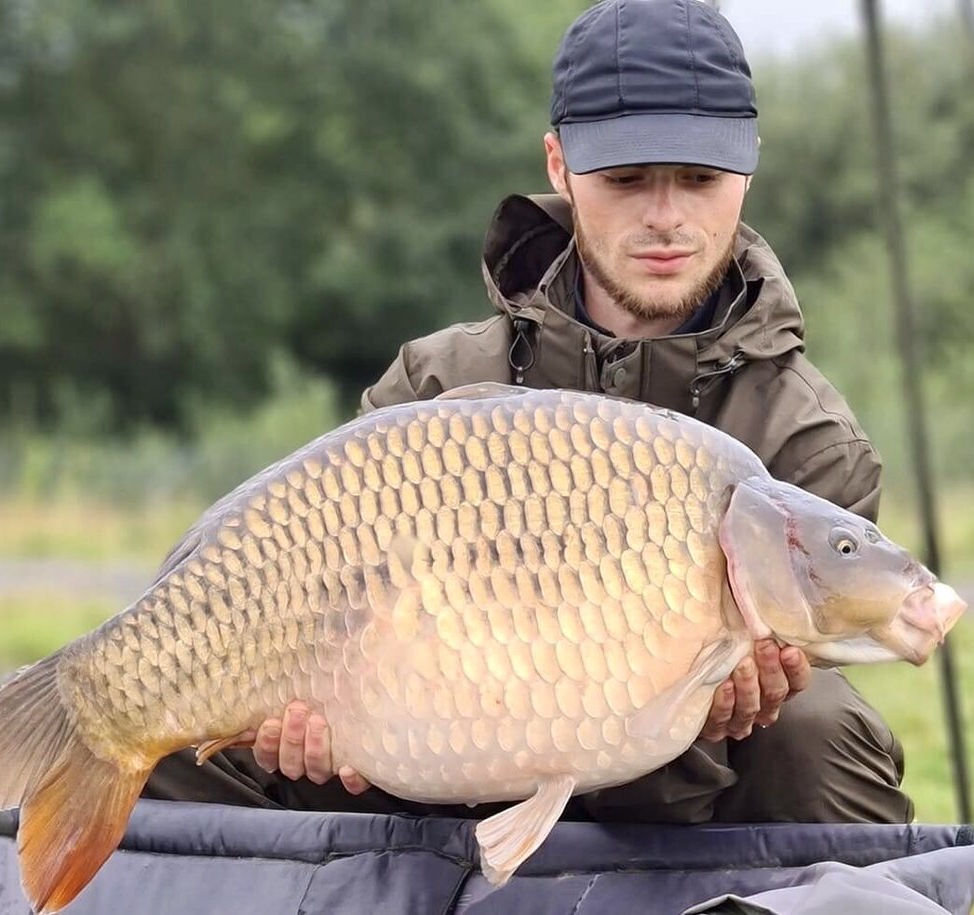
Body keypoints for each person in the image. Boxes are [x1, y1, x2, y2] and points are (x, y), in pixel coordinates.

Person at [144, 0, 911, 825]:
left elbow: (776, 700)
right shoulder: (436, 383)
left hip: (675, 813)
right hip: (432, 765)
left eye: (699, 179)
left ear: (748, 169)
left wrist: (712, 710)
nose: (665, 217)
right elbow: (337, 629)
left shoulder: (807, 439)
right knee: (172, 735)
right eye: (624, 180)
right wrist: (328, 724)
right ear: (558, 165)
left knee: (817, 727)